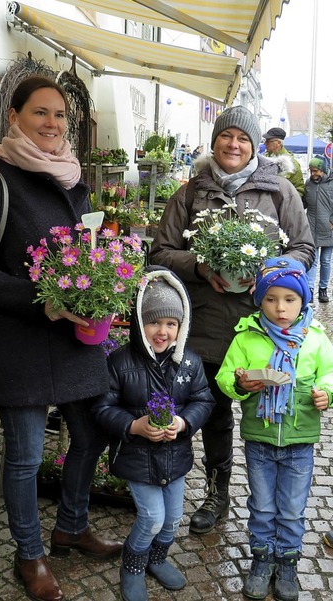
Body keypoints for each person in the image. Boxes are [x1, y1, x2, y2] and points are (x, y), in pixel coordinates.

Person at [0, 75, 122, 601]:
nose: (52, 124)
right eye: (40, 113)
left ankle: (71, 525)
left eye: (60, 116)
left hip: (73, 338)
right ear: (14, 117)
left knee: (90, 437)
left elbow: (83, 255)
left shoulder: (73, 181)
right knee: (24, 455)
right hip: (19, 339)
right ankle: (30, 555)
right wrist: (38, 299)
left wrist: (104, 282)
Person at [149, 105, 314, 536]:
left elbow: (304, 248)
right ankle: (217, 493)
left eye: (243, 138)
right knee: (215, 412)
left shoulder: (280, 192)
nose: (234, 145)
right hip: (204, 324)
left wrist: (267, 272)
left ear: (256, 144)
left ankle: (275, 506)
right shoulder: (190, 193)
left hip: (266, 329)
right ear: (215, 141)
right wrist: (203, 265)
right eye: (227, 136)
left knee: (270, 412)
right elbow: (161, 251)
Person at [92, 267, 215, 601]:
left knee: (174, 518)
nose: (162, 332)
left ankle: (156, 560)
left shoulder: (189, 362)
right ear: (139, 323)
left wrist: (185, 422)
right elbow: (102, 408)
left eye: (171, 324)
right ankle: (131, 568)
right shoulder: (119, 361)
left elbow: (204, 399)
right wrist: (134, 426)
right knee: (153, 517)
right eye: (154, 322)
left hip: (175, 457)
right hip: (136, 457)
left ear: (181, 326)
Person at [216, 257, 333, 601]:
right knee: (263, 506)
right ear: (259, 300)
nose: (280, 308)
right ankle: (262, 560)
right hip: (259, 440)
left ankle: (288, 563)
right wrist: (240, 385)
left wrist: (326, 393)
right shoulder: (247, 337)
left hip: (300, 441)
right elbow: (225, 375)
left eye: (290, 299)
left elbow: (329, 373)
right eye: (271, 299)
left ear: (303, 301)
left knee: (293, 509)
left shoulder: (314, 339)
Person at [303, 155, 333, 303]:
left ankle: (323, 289)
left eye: (315, 170)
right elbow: (303, 204)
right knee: (312, 260)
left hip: (328, 228)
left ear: (322, 170)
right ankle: (310, 289)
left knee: (326, 261)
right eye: (311, 170)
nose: (313, 173)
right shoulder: (308, 183)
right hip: (312, 227)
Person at [262, 127, 305, 197]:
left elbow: (299, 189)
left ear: (278, 143)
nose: (265, 143)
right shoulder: (263, 159)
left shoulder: (292, 164)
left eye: (268, 141)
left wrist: (288, 204)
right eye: (265, 140)